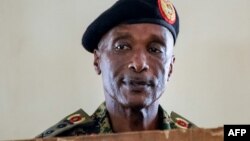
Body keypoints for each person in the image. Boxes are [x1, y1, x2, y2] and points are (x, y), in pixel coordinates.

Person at [37, 0, 196, 138]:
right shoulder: (59, 139)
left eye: (155, 50)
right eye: (122, 46)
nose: (139, 64)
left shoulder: (200, 137)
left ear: (170, 68)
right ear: (97, 60)